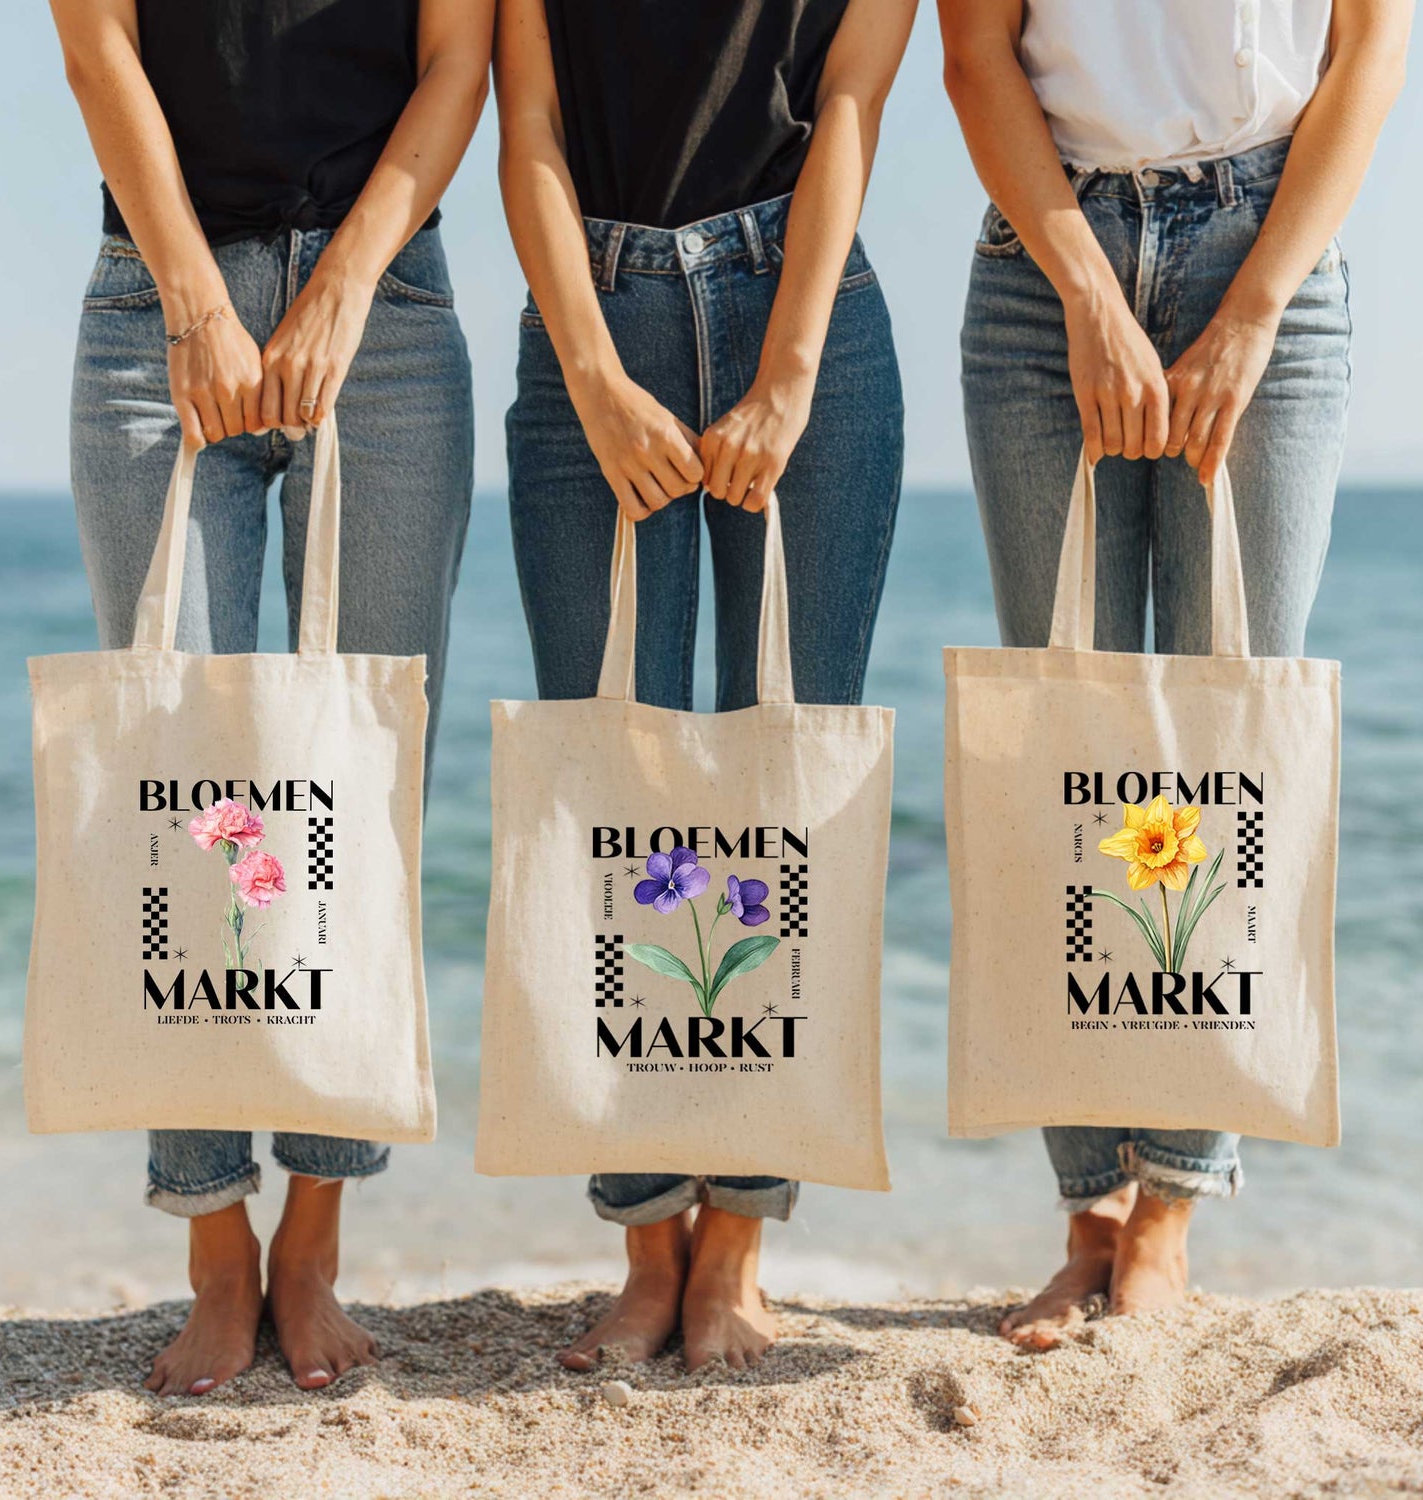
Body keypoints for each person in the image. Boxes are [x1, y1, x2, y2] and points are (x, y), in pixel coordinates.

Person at [938, 0, 1411, 1347]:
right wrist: (1090, 291)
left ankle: (1169, 1215)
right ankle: (1088, 1211)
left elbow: (1370, 50)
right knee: (1062, 756)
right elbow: (974, 53)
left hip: (1273, 252)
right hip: (1047, 260)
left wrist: (1255, 310)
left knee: (1227, 760)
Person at [51, 0, 493, 1395]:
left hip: (386, 317)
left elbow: (458, 59)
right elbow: (96, 42)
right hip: (155, 307)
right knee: (180, 805)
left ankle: (312, 1239)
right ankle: (214, 1248)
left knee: (363, 798)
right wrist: (195, 302)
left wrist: (347, 283)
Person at [496, 0, 915, 1370]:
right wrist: (592, 373)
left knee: (783, 805)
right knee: (609, 799)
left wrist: (788, 372)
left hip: (807, 317)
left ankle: (736, 1240)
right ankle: (643, 1240)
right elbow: (529, 125)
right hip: (592, 319)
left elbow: (849, 101)